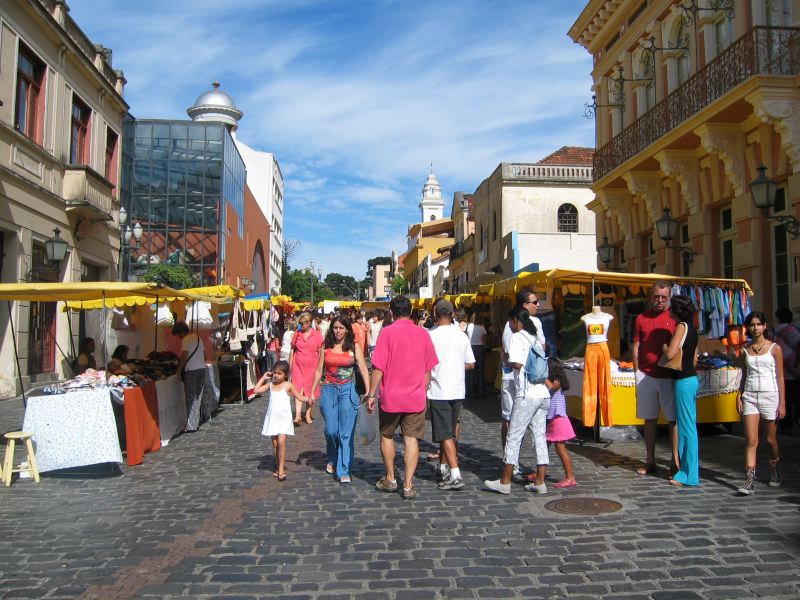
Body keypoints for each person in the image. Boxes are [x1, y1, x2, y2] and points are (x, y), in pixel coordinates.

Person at [367, 295, 438, 499]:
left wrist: (371, 393)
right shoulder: (423, 334)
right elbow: (428, 370)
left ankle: (390, 478)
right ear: (410, 312)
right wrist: (422, 392)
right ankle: (408, 484)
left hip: (391, 395)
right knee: (411, 439)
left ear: (391, 312)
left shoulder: (387, 333)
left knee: (387, 435)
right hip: (415, 396)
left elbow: (378, 367)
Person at [485, 307, 550, 495]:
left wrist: (506, 359)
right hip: (542, 393)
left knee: (513, 436)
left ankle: (505, 480)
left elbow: (518, 363)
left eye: (510, 322)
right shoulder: (534, 337)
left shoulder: (517, 337)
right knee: (539, 436)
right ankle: (540, 481)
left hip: (526, 392)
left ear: (515, 320)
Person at [310, 315, 370, 483]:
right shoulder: (326, 346)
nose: (338, 331)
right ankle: (332, 457)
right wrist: (311, 392)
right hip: (328, 389)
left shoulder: (354, 346)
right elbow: (318, 371)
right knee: (331, 430)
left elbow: (364, 369)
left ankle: (343, 469)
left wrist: (369, 392)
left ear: (347, 330)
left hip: (348, 390)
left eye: (341, 328)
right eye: (335, 327)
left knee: (345, 433)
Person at [427, 300, 475, 490]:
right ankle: (443, 466)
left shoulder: (431, 336)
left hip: (439, 390)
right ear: (452, 314)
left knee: (444, 433)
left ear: (436, 314)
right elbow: (471, 363)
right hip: (457, 389)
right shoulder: (461, 335)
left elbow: (425, 364)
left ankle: (455, 474)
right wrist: (455, 365)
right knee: (450, 431)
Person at [736, 311, 786, 495]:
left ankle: (774, 469)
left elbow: (780, 377)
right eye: (751, 324)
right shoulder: (745, 349)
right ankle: (749, 479)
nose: (755, 327)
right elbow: (743, 375)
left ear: (765, 326)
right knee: (751, 439)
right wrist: (739, 394)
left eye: (758, 324)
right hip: (750, 395)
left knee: (770, 438)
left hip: (770, 395)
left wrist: (782, 403)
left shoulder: (775, 349)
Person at [633, 281, 678, 476]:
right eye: (656, 296)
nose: (660, 300)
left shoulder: (674, 318)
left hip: (668, 375)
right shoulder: (641, 318)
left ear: (669, 297)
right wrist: (636, 372)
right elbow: (636, 346)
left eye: (664, 297)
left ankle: (675, 463)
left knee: (672, 420)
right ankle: (650, 460)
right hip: (646, 374)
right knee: (649, 419)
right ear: (651, 297)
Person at [500, 288, 545, 470]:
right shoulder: (532, 325)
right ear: (524, 305)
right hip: (532, 385)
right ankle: (539, 476)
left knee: (512, 427)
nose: (538, 305)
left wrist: (507, 360)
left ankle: (509, 470)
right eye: (534, 302)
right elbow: (542, 348)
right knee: (537, 433)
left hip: (519, 383)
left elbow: (512, 358)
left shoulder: (512, 328)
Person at [661, 295, 700, 488]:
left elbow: (670, 353)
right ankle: (688, 471)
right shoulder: (692, 328)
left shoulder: (681, 327)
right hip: (691, 378)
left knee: (686, 429)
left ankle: (688, 474)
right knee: (688, 426)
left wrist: (664, 345)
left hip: (683, 380)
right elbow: (695, 358)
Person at [255, 361, 307, 482]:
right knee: (275, 444)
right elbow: (256, 390)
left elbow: (299, 397)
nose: (276, 375)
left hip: (284, 419)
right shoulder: (270, 385)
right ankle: (278, 466)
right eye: (275, 373)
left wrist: (309, 399)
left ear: (285, 375)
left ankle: (281, 469)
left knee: (281, 442)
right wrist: (263, 377)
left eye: (279, 373)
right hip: (273, 419)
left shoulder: (288, 385)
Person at [538, 357, 576, 488]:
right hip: (552, 421)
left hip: (559, 421)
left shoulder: (557, 382)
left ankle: (570, 477)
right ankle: (539, 474)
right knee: (543, 448)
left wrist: (542, 376)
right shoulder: (554, 381)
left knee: (561, 450)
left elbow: (552, 387)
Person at [289, 312, 324, 425]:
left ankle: (308, 414)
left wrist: (321, 366)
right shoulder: (296, 334)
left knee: (309, 390)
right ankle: (298, 415)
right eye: (299, 323)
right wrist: (290, 364)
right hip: (298, 366)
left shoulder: (317, 335)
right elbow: (292, 349)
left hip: (312, 367)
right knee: (298, 389)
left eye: (302, 323)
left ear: (309, 323)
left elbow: (320, 351)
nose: (300, 325)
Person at [174, 321, 207, 433]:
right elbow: (204, 355)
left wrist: (179, 369)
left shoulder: (186, 340)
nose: (178, 337)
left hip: (191, 370)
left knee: (190, 398)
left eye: (178, 334)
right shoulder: (198, 338)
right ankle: (196, 420)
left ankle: (191, 425)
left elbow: (184, 356)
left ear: (182, 332)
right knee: (198, 396)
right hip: (201, 369)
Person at [773, 307, 800, 431]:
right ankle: (798, 420)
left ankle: (785, 424)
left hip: (780, 368)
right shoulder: (794, 330)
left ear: (778, 318)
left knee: (784, 398)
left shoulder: (773, 331)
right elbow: (798, 346)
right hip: (794, 367)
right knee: (796, 397)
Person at [465, 312, 487, 400]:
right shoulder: (482, 327)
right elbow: (484, 340)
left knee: (470, 372)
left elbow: (466, 338)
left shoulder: (468, 326)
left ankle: (469, 392)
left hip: (470, 348)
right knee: (480, 372)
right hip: (480, 348)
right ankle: (481, 392)